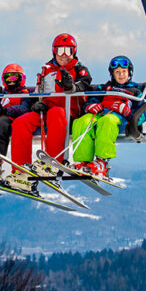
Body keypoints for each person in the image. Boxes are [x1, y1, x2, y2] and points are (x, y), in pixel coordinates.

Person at [6, 33, 92, 191]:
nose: (64, 55)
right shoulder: (47, 70)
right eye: (60, 51)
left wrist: (71, 87)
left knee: (56, 113)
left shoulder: (79, 69)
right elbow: (40, 92)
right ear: (54, 52)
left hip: (67, 112)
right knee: (21, 122)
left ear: (74, 52)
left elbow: (85, 83)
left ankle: (53, 165)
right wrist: (37, 104)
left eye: (68, 50)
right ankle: (21, 173)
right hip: (46, 111)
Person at [71, 55, 145, 177]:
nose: (121, 75)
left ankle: (102, 161)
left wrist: (127, 113)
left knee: (107, 121)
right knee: (82, 122)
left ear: (129, 73)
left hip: (118, 117)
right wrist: (91, 106)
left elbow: (142, 114)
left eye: (124, 72)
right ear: (112, 74)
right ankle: (84, 160)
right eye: (117, 72)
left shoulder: (135, 90)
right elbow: (91, 99)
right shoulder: (105, 88)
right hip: (100, 112)